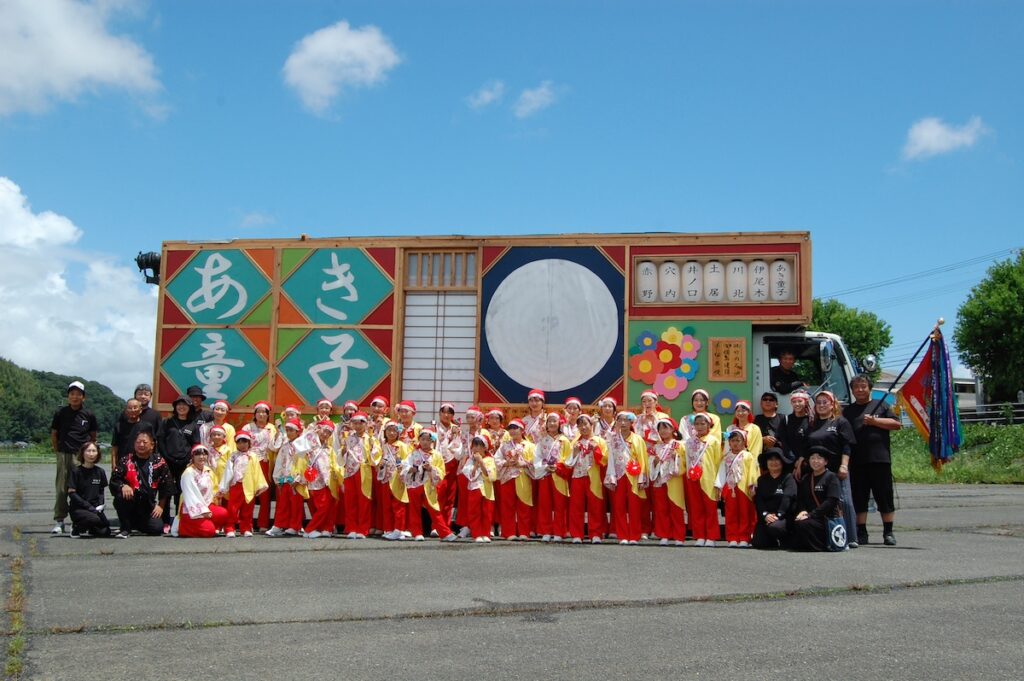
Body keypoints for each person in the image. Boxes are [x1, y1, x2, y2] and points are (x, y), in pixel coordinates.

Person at [843, 374, 901, 546]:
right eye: (856, 387)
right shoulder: (848, 411)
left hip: (880, 459)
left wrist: (875, 421)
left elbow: (896, 424)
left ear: (869, 388)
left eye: (863, 386)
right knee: (859, 498)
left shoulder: (881, 405)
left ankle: (888, 532)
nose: (860, 390)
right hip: (857, 461)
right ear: (852, 390)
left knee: (884, 496)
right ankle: (861, 532)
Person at [807, 391, 859, 547]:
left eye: (825, 402)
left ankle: (850, 537)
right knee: (822, 502)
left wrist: (844, 465)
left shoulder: (840, 422)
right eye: (819, 403)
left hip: (836, 470)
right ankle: (830, 535)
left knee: (844, 501)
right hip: (817, 470)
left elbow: (847, 446)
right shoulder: (812, 424)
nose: (822, 405)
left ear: (832, 404)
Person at [50, 381, 98, 535]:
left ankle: (79, 520)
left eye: (78, 394)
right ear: (68, 396)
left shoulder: (89, 414)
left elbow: (93, 436)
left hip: (81, 456)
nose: (75, 397)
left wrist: (88, 453)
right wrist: (57, 450)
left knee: (81, 490)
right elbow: (54, 434)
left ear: (83, 397)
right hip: (64, 454)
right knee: (62, 488)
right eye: (72, 394)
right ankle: (60, 520)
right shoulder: (61, 413)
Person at [110, 431, 173, 538]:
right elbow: (114, 480)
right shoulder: (126, 460)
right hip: (130, 500)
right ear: (134, 444)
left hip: (148, 505)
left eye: (145, 442)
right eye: (138, 442)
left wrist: (161, 506)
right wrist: (123, 486)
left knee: (156, 528)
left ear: (152, 445)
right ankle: (125, 527)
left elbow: (166, 486)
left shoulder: (159, 461)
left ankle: (135, 524)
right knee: (120, 496)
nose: (141, 445)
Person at [400, 429, 456, 541]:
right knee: (414, 509)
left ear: (432, 441)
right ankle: (417, 533)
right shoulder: (413, 453)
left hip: (428, 485)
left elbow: (442, 471)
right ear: (419, 440)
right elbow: (404, 465)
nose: (425, 442)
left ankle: (445, 533)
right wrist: (410, 469)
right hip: (414, 485)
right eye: (422, 439)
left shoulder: (437, 455)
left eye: (428, 440)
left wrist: (432, 469)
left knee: (434, 509)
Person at [157, 395, 200, 531]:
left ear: (190, 408)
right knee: (166, 491)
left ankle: (179, 519)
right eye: (179, 405)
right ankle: (165, 521)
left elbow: (195, 445)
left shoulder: (193, 424)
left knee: (182, 492)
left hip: (185, 463)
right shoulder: (167, 422)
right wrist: (166, 457)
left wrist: (189, 460)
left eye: (185, 405)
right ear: (175, 407)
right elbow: (161, 441)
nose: (181, 407)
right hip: (168, 461)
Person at [604, 411, 648, 545]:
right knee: (619, 506)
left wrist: (642, 478)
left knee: (634, 506)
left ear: (631, 422)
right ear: (616, 422)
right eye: (620, 420)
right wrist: (611, 476)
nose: (623, 423)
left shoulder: (637, 439)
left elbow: (642, 459)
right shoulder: (613, 439)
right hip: (618, 475)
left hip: (633, 476)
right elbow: (610, 458)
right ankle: (622, 534)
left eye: (626, 420)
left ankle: (634, 535)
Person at [266, 418, 314, 537]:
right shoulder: (285, 446)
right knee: (283, 503)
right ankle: (279, 525)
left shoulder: (303, 445)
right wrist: (277, 478)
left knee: (296, 504)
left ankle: (295, 526)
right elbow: (280, 462)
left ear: (298, 431)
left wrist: (300, 479)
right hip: (285, 479)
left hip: (296, 480)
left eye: (291, 430)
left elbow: (306, 463)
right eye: (287, 430)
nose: (288, 432)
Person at [790, 447, 842, 552]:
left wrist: (811, 515)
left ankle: (821, 546)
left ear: (825, 462)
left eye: (819, 458)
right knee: (794, 521)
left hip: (827, 518)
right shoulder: (806, 478)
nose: (815, 461)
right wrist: (803, 511)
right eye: (812, 458)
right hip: (811, 516)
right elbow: (801, 499)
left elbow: (831, 501)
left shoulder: (832, 477)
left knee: (804, 524)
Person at [218, 431, 269, 537]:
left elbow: (257, 471)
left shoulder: (253, 456)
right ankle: (230, 528)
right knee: (233, 508)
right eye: (239, 442)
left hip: (249, 485)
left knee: (248, 508)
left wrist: (259, 486)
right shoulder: (233, 456)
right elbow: (228, 471)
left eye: (245, 442)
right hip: (236, 485)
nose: (242, 444)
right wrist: (224, 487)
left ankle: (246, 527)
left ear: (249, 443)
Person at [338, 412, 381, 539]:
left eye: (361, 423)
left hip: (364, 471)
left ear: (366, 424)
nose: (358, 426)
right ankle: (351, 528)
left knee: (364, 501)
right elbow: (341, 458)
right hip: (350, 472)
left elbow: (376, 457)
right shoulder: (349, 438)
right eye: (355, 423)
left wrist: (373, 448)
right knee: (350, 501)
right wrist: (344, 450)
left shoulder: (371, 439)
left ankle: (363, 529)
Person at [682, 413, 722, 547]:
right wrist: (688, 474)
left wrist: (718, 481)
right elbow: (687, 460)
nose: (699, 426)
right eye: (697, 424)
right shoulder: (689, 441)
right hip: (693, 478)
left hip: (709, 478)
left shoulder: (714, 441)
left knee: (710, 508)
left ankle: (711, 536)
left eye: (702, 424)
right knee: (696, 508)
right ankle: (699, 535)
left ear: (708, 425)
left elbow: (718, 461)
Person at [566, 414, 607, 544]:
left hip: (593, 477)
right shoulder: (574, 442)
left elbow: (605, 460)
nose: (583, 427)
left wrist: (596, 450)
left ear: (591, 425)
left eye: (586, 424)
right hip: (577, 476)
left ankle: (595, 533)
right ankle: (577, 534)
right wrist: (575, 452)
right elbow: (567, 462)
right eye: (580, 425)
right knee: (576, 506)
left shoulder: (599, 441)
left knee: (595, 505)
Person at [530, 412, 571, 542]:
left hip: (559, 475)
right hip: (545, 474)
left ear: (559, 424)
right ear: (546, 424)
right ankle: (545, 530)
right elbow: (537, 456)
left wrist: (559, 466)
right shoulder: (542, 440)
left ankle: (559, 531)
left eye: (555, 421)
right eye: (550, 421)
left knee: (560, 505)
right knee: (545, 504)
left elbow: (568, 459)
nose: (552, 423)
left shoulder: (564, 440)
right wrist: (544, 467)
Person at [174, 444, 230, 538]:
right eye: (198, 454)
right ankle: (183, 528)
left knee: (223, 513)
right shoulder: (188, 473)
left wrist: (217, 494)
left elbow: (214, 487)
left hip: (206, 504)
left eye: (204, 454)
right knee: (209, 531)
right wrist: (203, 511)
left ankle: (203, 523)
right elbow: (191, 496)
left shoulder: (208, 471)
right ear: (193, 457)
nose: (201, 457)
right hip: (191, 508)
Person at [715, 428, 759, 547]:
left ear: (744, 442)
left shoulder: (748, 456)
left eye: (738, 440)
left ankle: (745, 537)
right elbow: (721, 472)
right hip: (730, 488)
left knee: (745, 513)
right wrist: (718, 485)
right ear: (729, 443)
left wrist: (752, 484)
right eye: (732, 440)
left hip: (744, 489)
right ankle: (733, 537)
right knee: (731, 513)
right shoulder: (726, 457)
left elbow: (753, 472)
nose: (735, 443)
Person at [238, 402, 277, 532]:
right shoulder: (248, 427)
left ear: (268, 414)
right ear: (255, 414)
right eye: (258, 412)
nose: (261, 414)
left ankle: (263, 523)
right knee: (248, 492)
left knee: (264, 494)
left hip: (265, 462)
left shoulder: (271, 428)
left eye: (264, 412)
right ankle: (246, 523)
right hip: (249, 462)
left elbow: (275, 445)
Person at [494, 419, 535, 540]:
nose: (512, 431)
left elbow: (535, 462)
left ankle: (524, 532)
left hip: (523, 477)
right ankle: (508, 532)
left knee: (524, 505)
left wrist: (523, 463)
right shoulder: (504, 445)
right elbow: (496, 460)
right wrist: (506, 463)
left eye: (515, 428)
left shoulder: (530, 446)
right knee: (507, 506)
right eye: (510, 428)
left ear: (522, 430)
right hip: (508, 478)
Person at [649, 416, 686, 546]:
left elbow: (684, 463)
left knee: (676, 508)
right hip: (659, 480)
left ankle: (678, 536)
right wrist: (654, 462)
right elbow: (651, 463)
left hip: (674, 480)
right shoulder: (656, 446)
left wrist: (676, 458)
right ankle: (664, 534)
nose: (663, 431)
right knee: (661, 508)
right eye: (660, 429)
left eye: (666, 428)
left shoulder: (679, 445)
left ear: (673, 429)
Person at [299, 421, 338, 538]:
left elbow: (333, 463)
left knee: (330, 505)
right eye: (324, 431)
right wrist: (311, 432)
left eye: (329, 433)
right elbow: (299, 446)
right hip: (315, 480)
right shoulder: (310, 445)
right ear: (318, 429)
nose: (325, 434)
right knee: (323, 507)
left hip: (328, 481)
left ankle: (326, 528)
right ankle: (310, 529)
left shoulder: (328, 448)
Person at [751, 448, 796, 549]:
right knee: (758, 543)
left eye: (777, 459)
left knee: (775, 527)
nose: (773, 462)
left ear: (782, 461)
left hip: (783, 517)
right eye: (770, 460)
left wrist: (779, 515)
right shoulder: (762, 479)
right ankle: (773, 541)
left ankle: (786, 538)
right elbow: (759, 500)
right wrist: (765, 514)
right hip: (767, 517)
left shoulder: (788, 478)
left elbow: (788, 498)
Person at [459, 434, 498, 542]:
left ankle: (486, 534)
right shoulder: (469, 460)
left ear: (485, 447)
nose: (476, 448)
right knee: (474, 512)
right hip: (474, 489)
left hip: (487, 490)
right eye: (474, 446)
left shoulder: (490, 459)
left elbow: (491, 476)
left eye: (479, 446)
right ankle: (476, 534)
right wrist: (476, 464)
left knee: (487, 512)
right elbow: (469, 475)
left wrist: (481, 462)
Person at [67, 442, 111, 537]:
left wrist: (100, 505)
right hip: (79, 508)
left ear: (97, 453)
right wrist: (88, 507)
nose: (91, 454)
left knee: (106, 530)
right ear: (83, 453)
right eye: (88, 451)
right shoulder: (75, 471)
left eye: (94, 451)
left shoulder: (100, 472)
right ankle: (76, 527)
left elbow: (101, 491)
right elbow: (72, 493)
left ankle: (91, 528)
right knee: (94, 519)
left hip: (94, 509)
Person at [380, 421, 412, 541]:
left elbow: (408, 461)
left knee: (398, 505)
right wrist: (380, 463)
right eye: (389, 430)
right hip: (385, 478)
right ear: (385, 432)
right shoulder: (383, 445)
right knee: (386, 505)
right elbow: (377, 460)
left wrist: (402, 466)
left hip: (397, 478)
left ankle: (399, 529)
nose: (391, 433)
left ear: (398, 433)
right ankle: (388, 529)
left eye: (394, 430)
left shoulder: (402, 446)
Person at [435, 403, 463, 532]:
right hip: (438, 465)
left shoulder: (457, 429)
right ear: (439, 413)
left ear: (453, 415)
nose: (446, 415)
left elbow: (459, 448)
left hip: (452, 465)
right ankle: (436, 526)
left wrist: (455, 436)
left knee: (450, 498)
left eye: (449, 413)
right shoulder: (434, 428)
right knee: (438, 495)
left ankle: (446, 525)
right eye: (444, 412)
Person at [754, 393, 789, 467]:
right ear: (761, 404)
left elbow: (788, 439)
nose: (768, 401)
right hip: (762, 460)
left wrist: (775, 442)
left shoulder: (783, 418)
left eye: (771, 400)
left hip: (780, 459)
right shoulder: (756, 419)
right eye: (765, 399)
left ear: (776, 404)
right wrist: (763, 439)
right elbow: (751, 439)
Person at [785, 390, 813, 479]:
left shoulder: (811, 421)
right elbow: (784, 441)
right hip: (789, 461)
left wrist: (801, 460)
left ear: (806, 402)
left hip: (806, 461)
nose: (797, 404)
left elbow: (809, 443)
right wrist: (794, 461)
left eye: (800, 401)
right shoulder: (786, 420)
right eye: (794, 402)